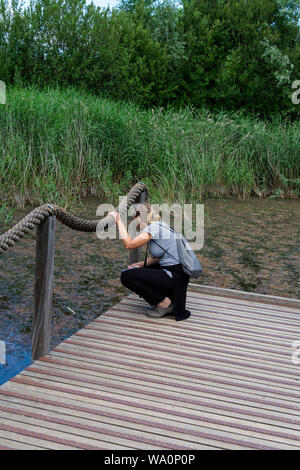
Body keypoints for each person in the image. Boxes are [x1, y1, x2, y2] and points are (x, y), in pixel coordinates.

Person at [108, 203, 191, 321]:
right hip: (178, 276)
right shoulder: (161, 225)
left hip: (174, 276)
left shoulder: (153, 228)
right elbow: (158, 258)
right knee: (135, 270)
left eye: (134, 220)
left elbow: (129, 244)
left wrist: (118, 221)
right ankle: (167, 298)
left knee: (126, 276)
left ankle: (164, 303)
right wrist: (139, 265)